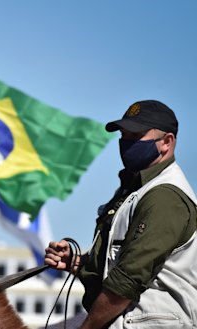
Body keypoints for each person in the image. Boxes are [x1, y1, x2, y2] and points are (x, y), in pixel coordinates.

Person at [45, 100, 197, 329]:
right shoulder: (137, 188)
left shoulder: (165, 196)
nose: (126, 143)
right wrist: (76, 263)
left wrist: (87, 327)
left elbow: (127, 280)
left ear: (167, 142)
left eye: (135, 136)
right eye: (124, 135)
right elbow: (117, 262)